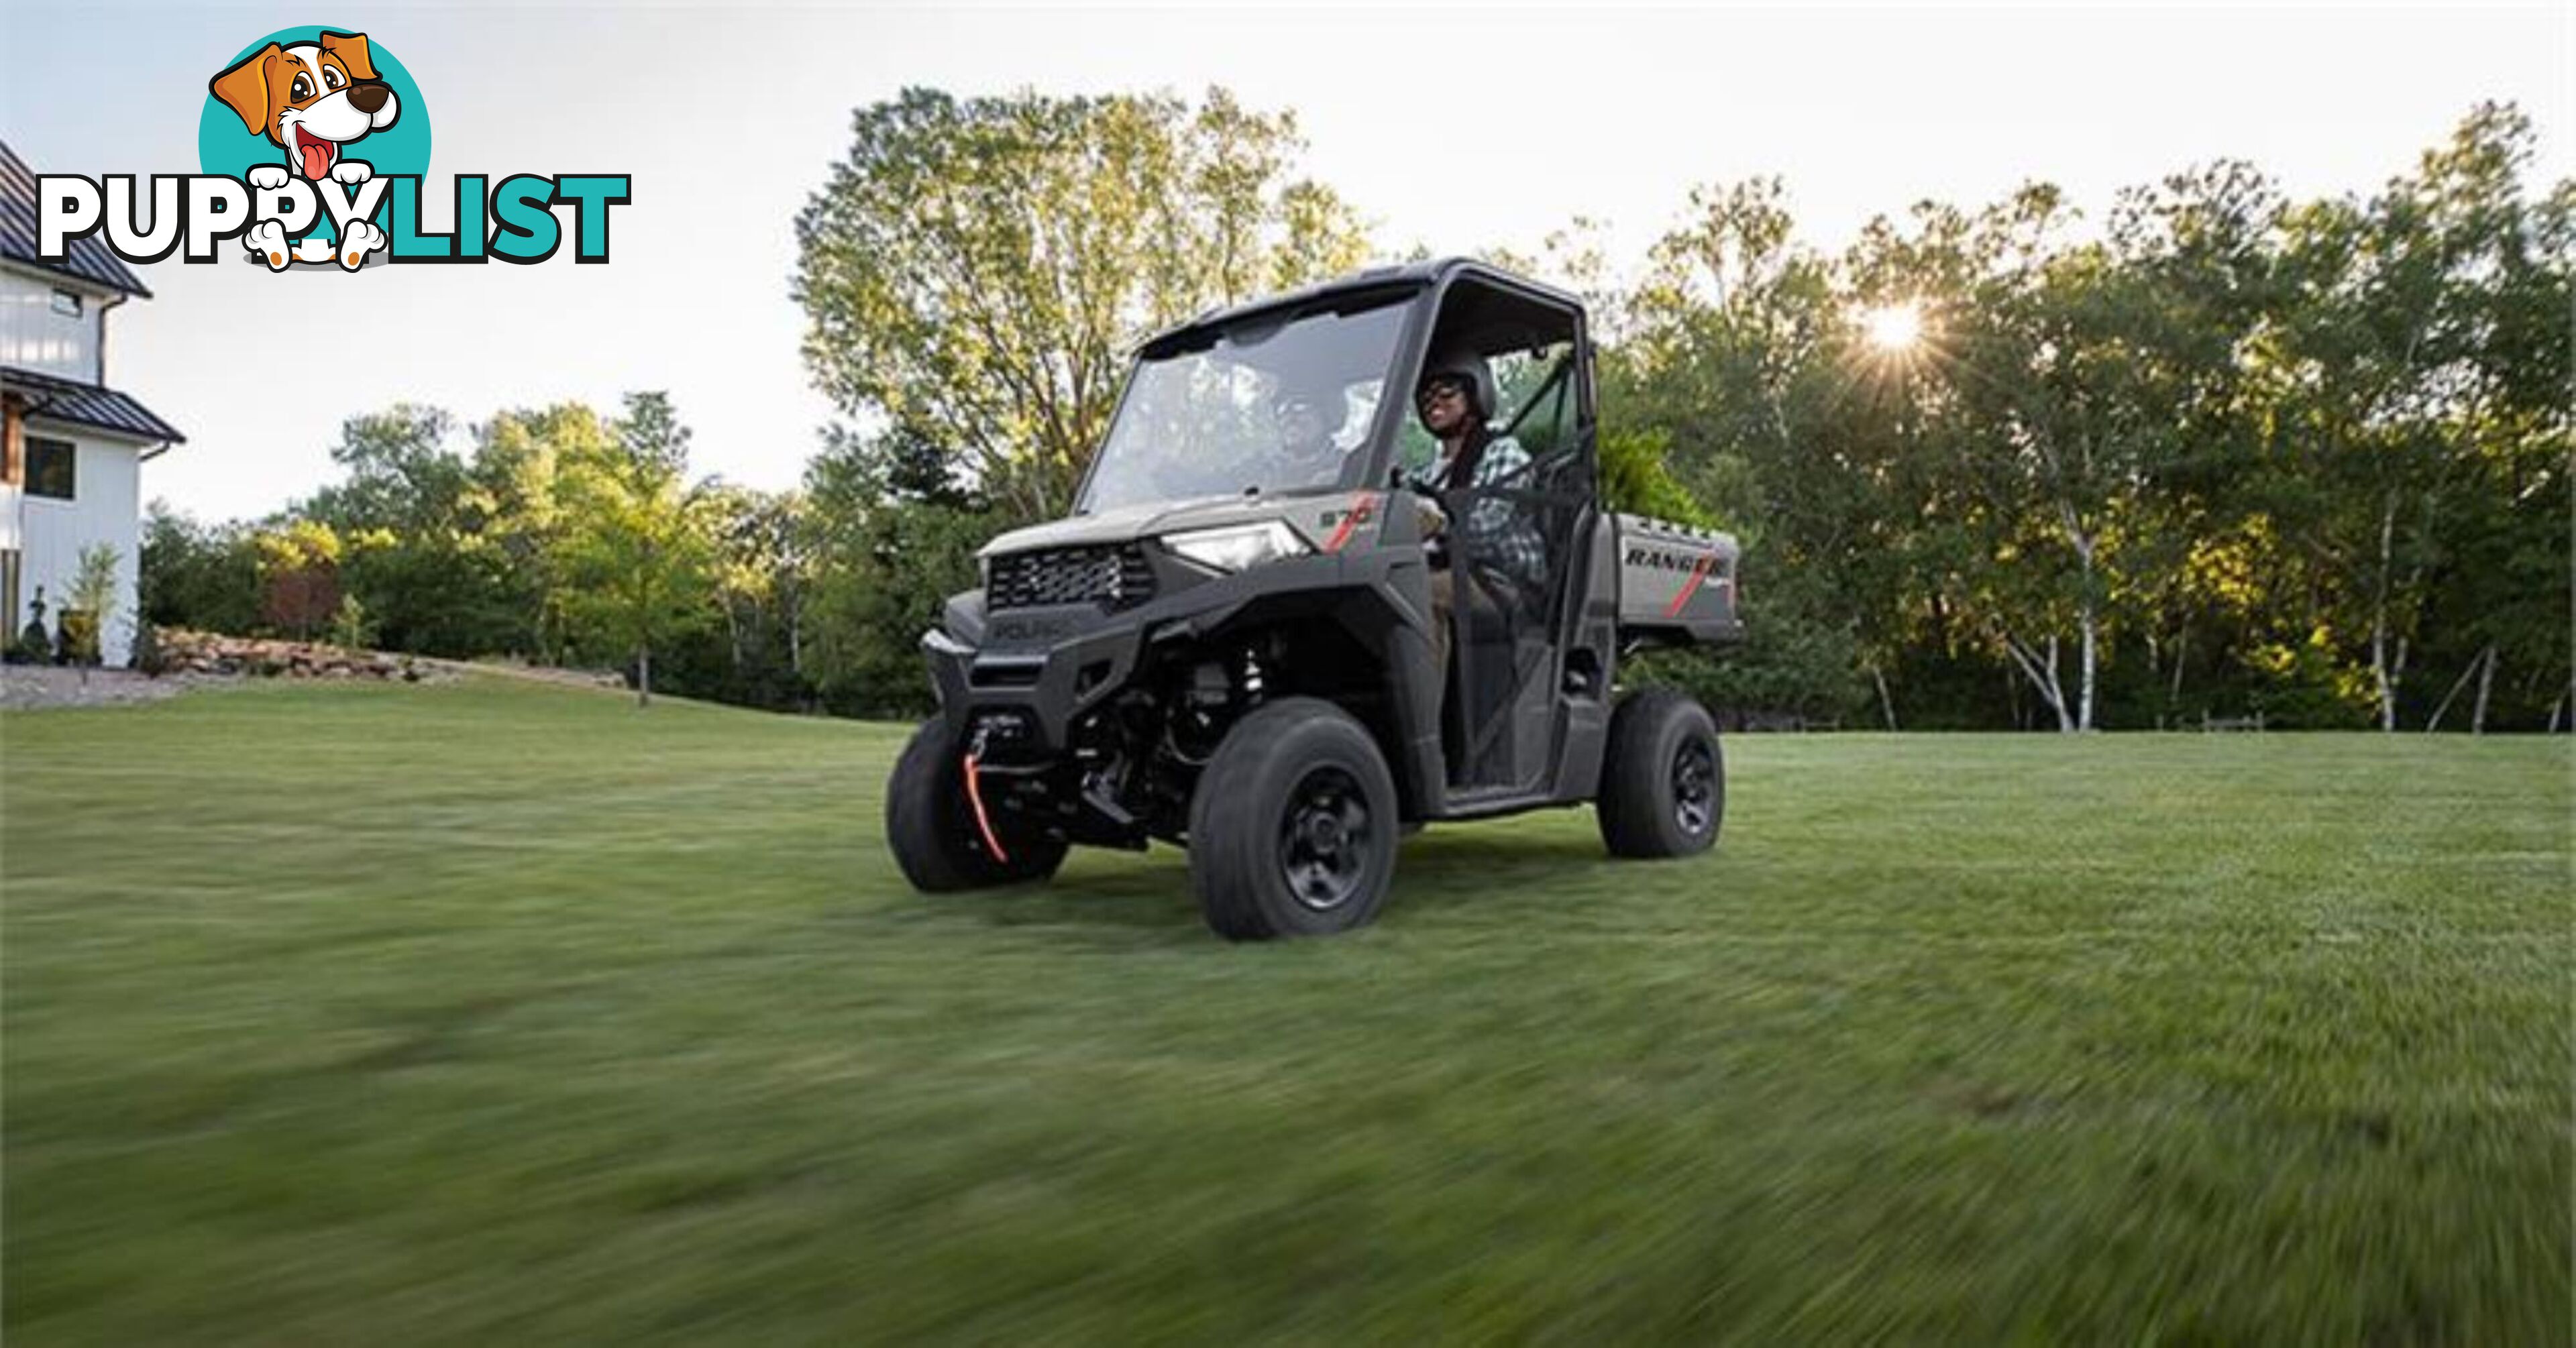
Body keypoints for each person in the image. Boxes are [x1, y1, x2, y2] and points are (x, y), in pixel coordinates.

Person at [1408, 351, 1548, 680]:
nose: (1434, 402)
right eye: (1426, 396)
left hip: (1500, 582)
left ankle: (1425, 728)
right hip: (1449, 572)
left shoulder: (1503, 452)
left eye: (1447, 392)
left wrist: (1438, 523)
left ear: (1476, 395)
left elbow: (1489, 528)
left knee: (1420, 597)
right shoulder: (1426, 473)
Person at [1269, 382, 1350, 488]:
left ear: (1328, 415)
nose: (1289, 418)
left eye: (1300, 407)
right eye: (1282, 408)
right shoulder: (1264, 468)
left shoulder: (1347, 469)